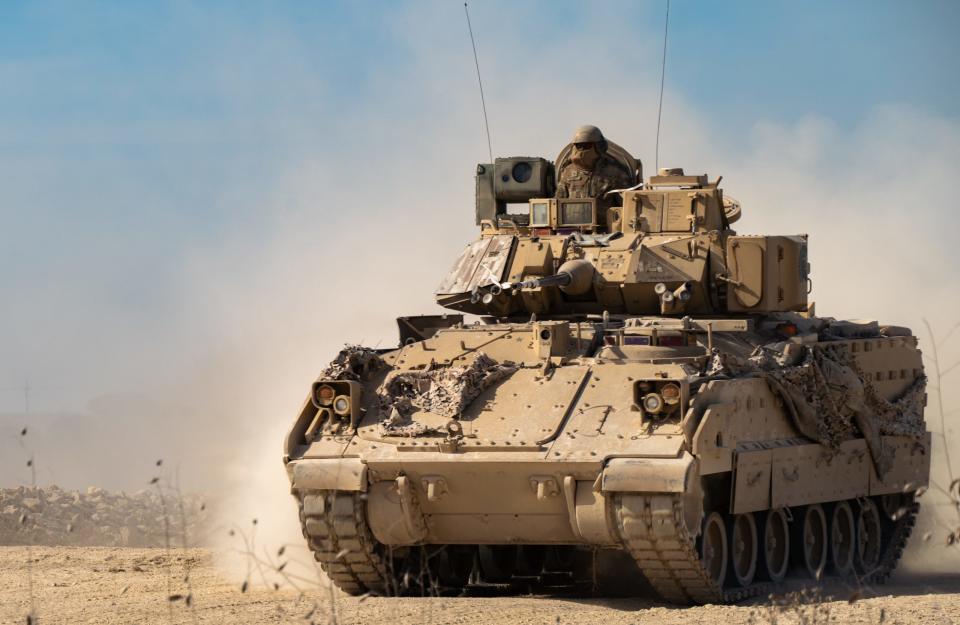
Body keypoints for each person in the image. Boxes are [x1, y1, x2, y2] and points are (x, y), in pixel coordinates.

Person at [555, 125, 634, 215]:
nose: (581, 150)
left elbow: (628, 207)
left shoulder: (615, 174)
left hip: (606, 227)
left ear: (599, 147)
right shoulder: (567, 172)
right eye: (578, 146)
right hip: (572, 226)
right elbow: (558, 202)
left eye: (586, 146)